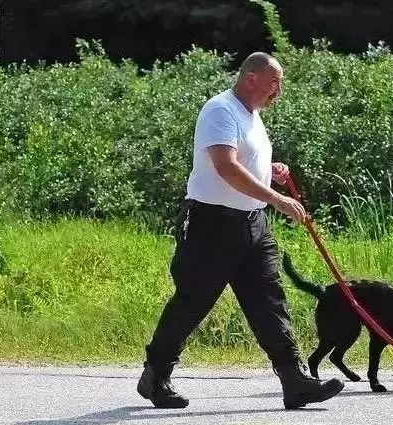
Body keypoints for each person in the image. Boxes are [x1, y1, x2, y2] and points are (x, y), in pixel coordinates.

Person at [136, 52, 344, 410]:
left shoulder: (252, 115)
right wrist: (277, 199)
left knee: (269, 302)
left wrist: (268, 170)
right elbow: (225, 167)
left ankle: (294, 381)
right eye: (274, 82)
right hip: (211, 226)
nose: (278, 90)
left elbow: (244, 162)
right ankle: (156, 375)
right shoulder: (220, 110)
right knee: (192, 302)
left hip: (252, 226)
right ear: (251, 78)